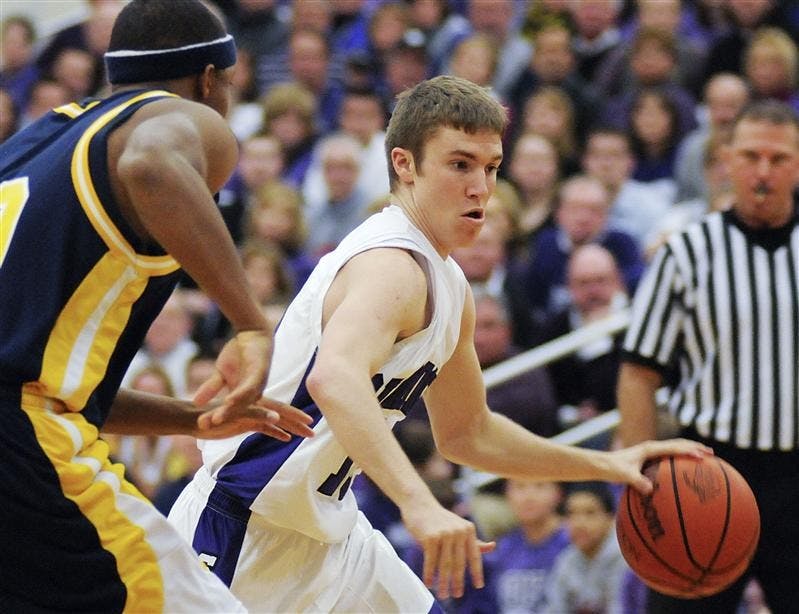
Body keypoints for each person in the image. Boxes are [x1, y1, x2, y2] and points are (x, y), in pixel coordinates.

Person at [167, 74, 711, 613]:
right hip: (241, 531)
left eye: (491, 167)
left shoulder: (449, 284)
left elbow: (469, 433)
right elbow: (334, 378)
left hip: (331, 535)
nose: (482, 187)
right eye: (459, 164)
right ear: (404, 165)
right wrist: (420, 506)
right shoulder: (391, 266)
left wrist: (607, 464)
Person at [0, 1, 313, 611]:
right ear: (210, 79)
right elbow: (152, 163)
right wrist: (251, 323)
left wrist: (191, 420)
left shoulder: (31, 145)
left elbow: (42, 376)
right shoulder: (180, 120)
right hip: (23, 447)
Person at [617, 100, 799, 613]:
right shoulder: (686, 252)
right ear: (727, 161)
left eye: (779, 158)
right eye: (752, 156)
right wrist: (640, 469)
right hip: (708, 473)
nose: (764, 171)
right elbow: (638, 371)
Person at [544, 481, 629, 613]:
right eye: (571, 514)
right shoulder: (567, 560)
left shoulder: (626, 559)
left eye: (590, 513)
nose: (579, 523)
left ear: (611, 518)